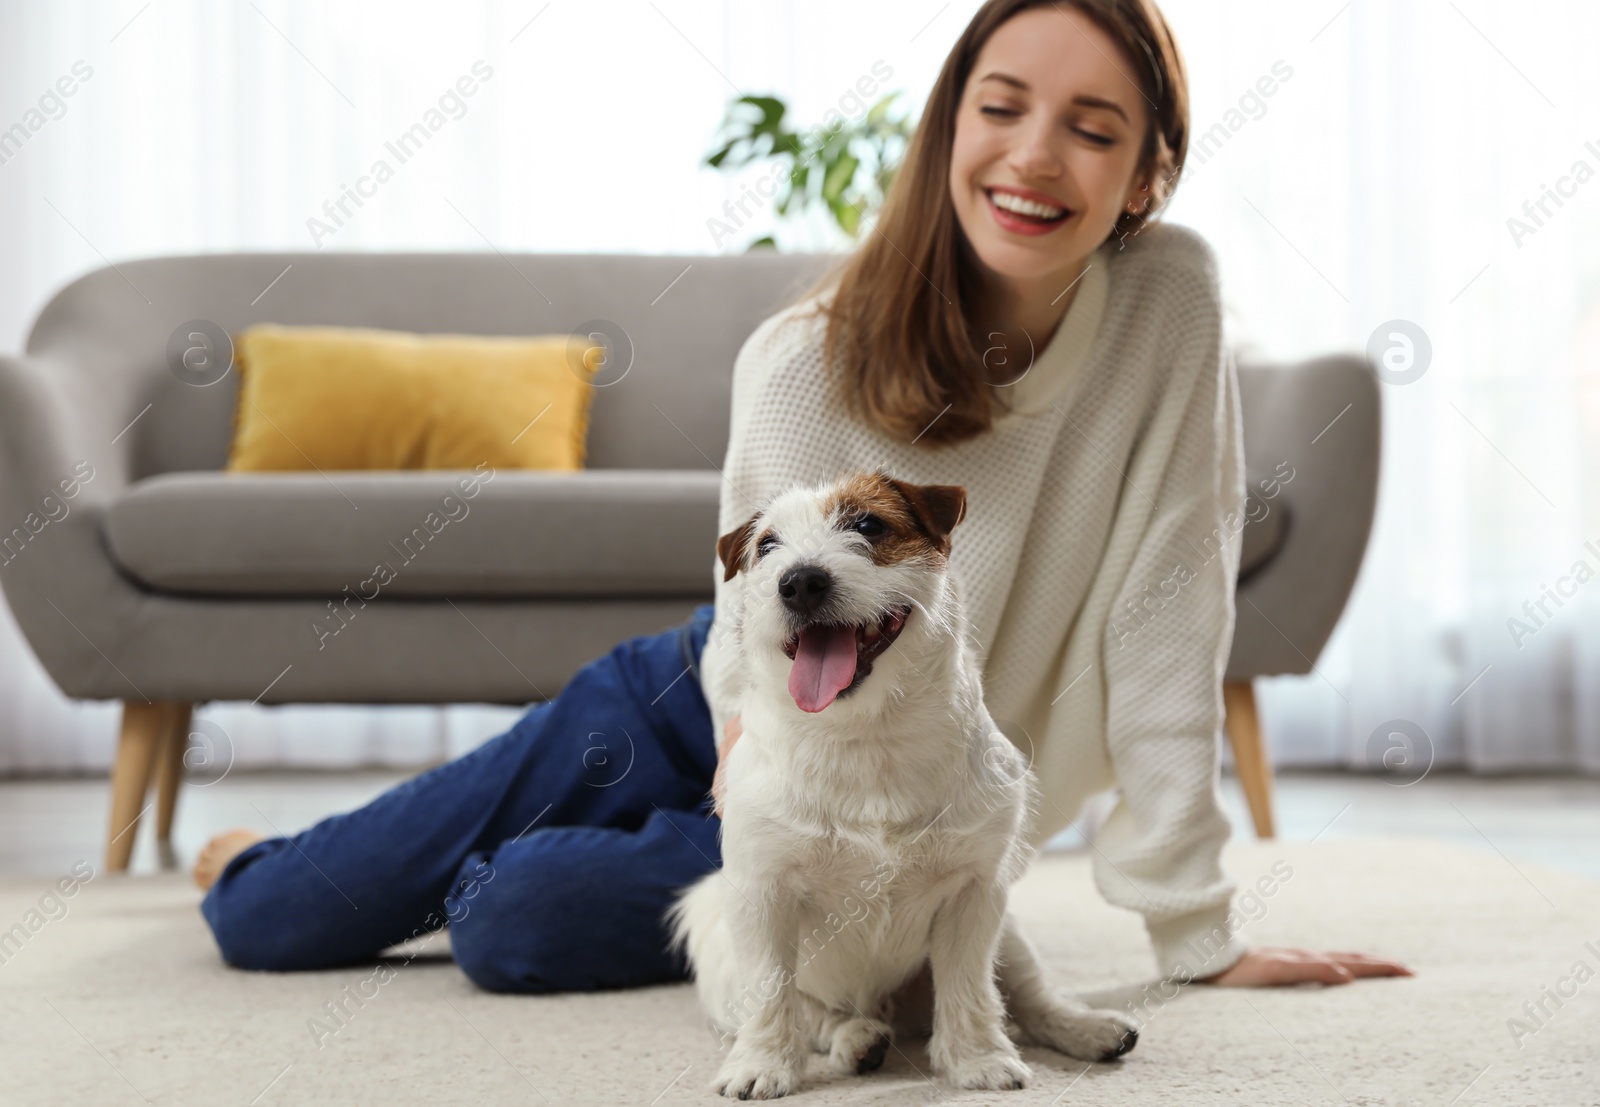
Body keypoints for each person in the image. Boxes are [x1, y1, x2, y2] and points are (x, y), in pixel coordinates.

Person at [195, 0, 1411, 993]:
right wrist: (750, 789)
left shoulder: (1171, 301)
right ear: (947, 133)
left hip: (906, 767)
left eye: (1092, 130)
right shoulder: (805, 357)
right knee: (269, 922)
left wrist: (1196, 934)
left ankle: (497, 861)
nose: (1034, 154)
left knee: (511, 925)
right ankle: (292, 857)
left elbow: (1168, 608)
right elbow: (744, 624)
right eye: (999, 108)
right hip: (718, 696)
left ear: (1148, 173)